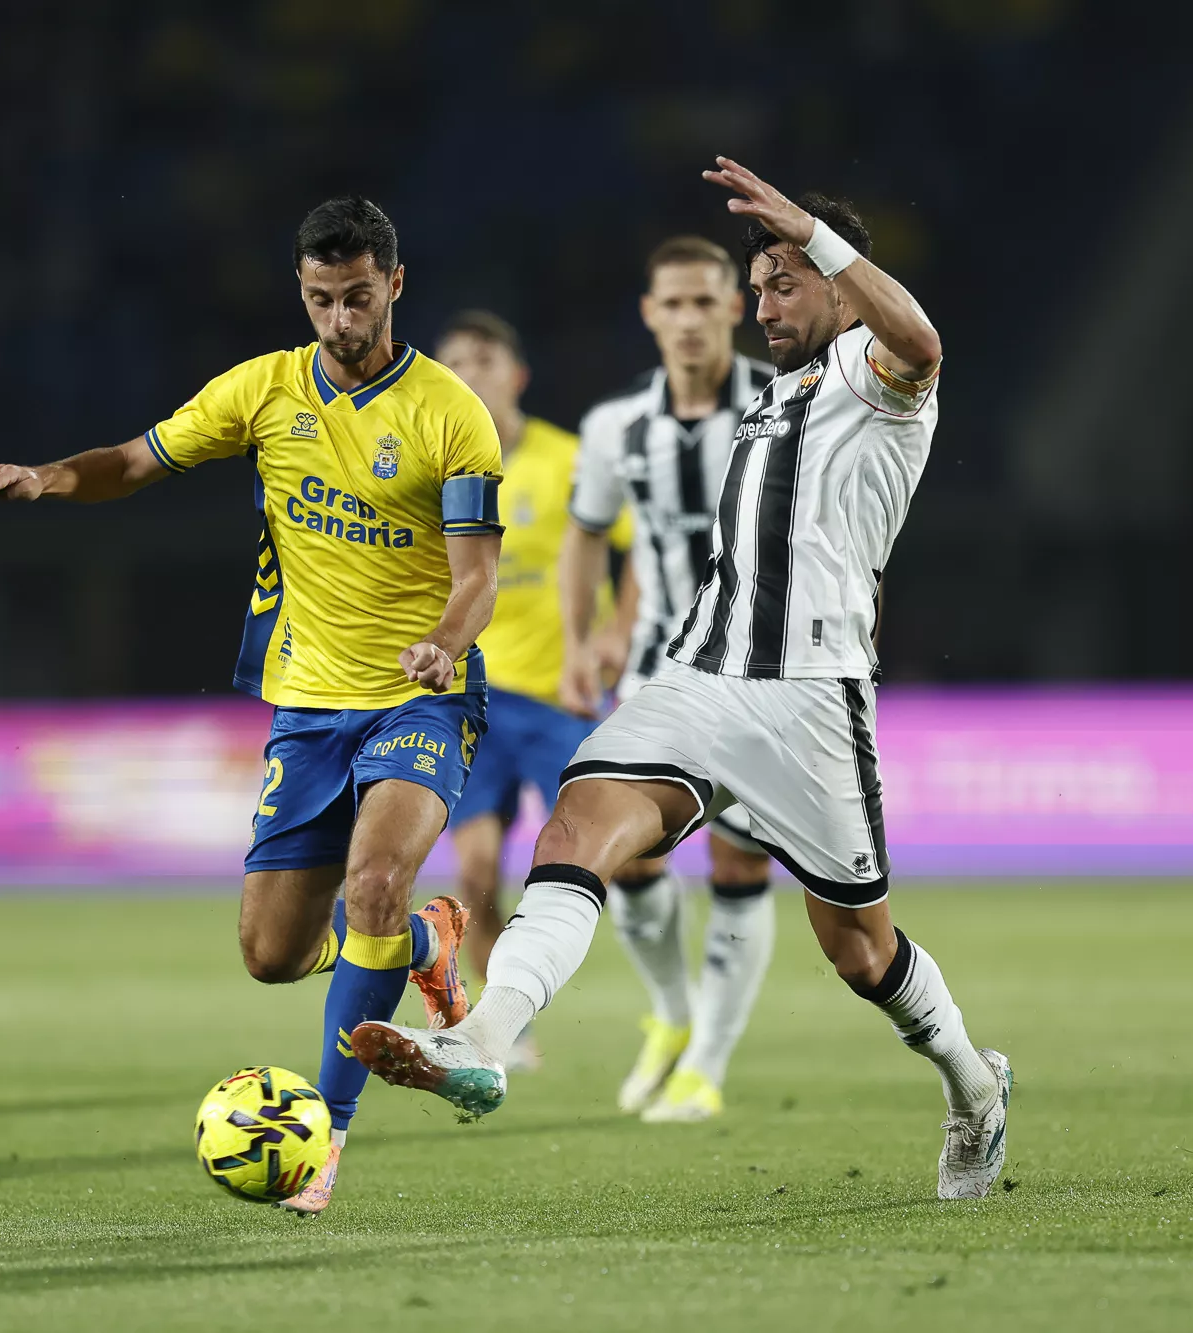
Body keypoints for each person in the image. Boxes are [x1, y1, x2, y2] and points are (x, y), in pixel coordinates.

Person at [352, 160, 1013, 1201]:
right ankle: (481, 1033)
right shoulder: (767, 398)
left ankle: (974, 1086)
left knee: (857, 951)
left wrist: (813, 228)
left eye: (782, 281)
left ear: (840, 282)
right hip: (695, 679)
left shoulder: (873, 381)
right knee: (574, 829)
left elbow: (923, 343)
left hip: (807, 700)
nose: (763, 304)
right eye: (756, 287)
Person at [0, 196, 505, 1215]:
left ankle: (326, 1142)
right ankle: (428, 944)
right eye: (317, 300)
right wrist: (48, 476)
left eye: (355, 298)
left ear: (393, 285)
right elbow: (132, 462)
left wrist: (446, 639)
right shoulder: (260, 391)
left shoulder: (448, 411)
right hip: (304, 707)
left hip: (416, 698)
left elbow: (475, 573)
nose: (338, 321)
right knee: (273, 956)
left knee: (373, 881)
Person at [561, 236, 780, 1123]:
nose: (689, 320)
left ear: (735, 308)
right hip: (657, 666)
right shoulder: (617, 428)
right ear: (649, 314)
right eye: (672, 305)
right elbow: (587, 531)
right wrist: (582, 640)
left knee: (738, 860)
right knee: (631, 855)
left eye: (705, 302)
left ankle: (708, 1069)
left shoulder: (782, 401)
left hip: (763, 670)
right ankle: (672, 1015)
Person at [433, 309, 629, 1071]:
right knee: (476, 872)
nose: (468, 374)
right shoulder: (438, 468)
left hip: (561, 699)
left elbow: (633, 547)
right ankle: (503, 1020)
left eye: (483, 359)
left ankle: (669, 1007)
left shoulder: (571, 459)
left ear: (515, 376)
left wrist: (613, 637)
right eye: (453, 362)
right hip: (472, 702)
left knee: (597, 862)